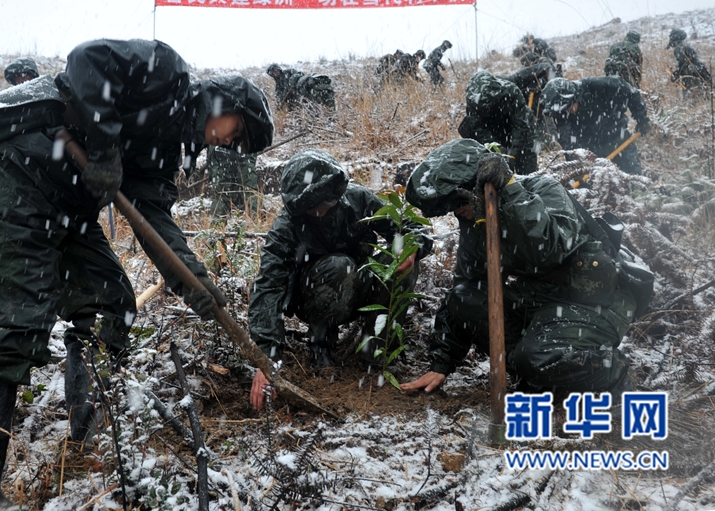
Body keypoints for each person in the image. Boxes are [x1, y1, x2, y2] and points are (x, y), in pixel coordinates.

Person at [0, 38, 273, 511]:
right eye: (236, 130)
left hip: (68, 202)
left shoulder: (166, 152)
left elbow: (156, 222)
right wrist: (102, 148)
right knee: (13, 324)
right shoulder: (167, 74)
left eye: (238, 144)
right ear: (226, 102)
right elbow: (88, 61)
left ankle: (89, 444)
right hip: (20, 164)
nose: (228, 142)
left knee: (107, 304)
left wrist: (195, 284)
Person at [400, 138, 650, 398]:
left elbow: (548, 250)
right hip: (539, 300)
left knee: (535, 357)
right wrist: (442, 362)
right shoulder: (477, 217)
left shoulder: (542, 190)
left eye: (459, 205)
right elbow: (467, 284)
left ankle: (611, 372)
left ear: (478, 188)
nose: (457, 213)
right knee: (464, 298)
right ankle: (541, 369)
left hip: (592, 303)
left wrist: (509, 192)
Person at [248, 149, 433, 409]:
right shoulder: (287, 226)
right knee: (339, 266)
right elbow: (268, 286)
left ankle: (375, 347)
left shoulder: (359, 200)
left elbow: (409, 227)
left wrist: (411, 247)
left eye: (324, 207)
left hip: (360, 287)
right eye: (312, 210)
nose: (319, 214)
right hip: (314, 297)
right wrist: (266, 358)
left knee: (399, 265)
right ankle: (320, 344)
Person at [541, 76, 651, 175]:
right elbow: (567, 138)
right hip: (588, 145)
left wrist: (642, 119)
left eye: (568, 107)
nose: (566, 112)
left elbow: (632, 93)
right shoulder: (560, 111)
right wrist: (575, 161)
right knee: (590, 184)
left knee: (633, 177)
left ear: (575, 97)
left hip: (617, 136)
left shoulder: (600, 86)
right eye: (563, 110)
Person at [202, 76, 272, 217]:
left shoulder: (214, 105)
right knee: (249, 187)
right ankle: (256, 218)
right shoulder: (249, 102)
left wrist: (211, 163)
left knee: (222, 192)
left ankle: (217, 228)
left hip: (221, 151)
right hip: (243, 150)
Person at [457, 70, 542, 174]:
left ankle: (528, 180)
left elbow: (520, 126)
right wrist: (497, 151)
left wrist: (512, 154)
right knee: (492, 163)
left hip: (517, 125)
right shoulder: (472, 100)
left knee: (526, 156)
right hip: (491, 127)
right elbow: (478, 129)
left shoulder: (511, 92)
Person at [266, 63, 335, 111]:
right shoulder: (278, 84)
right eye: (274, 73)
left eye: (276, 71)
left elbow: (299, 74)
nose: (276, 73)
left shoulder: (289, 72)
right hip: (294, 99)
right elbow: (279, 96)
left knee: (313, 104)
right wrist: (282, 98)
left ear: (279, 69)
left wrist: (292, 81)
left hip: (302, 91)